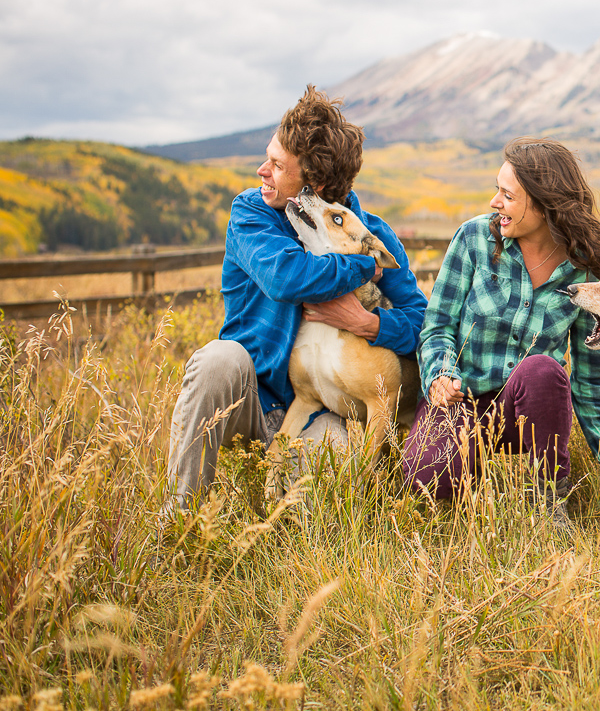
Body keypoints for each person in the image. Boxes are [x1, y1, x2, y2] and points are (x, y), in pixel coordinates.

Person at [164, 85, 427, 515]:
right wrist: (363, 266)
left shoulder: (370, 232)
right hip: (252, 396)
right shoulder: (253, 214)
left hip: (319, 406)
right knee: (218, 360)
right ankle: (177, 520)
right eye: (268, 157)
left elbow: (422, 321)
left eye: (277, 165)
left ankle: (282, 534)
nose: (261, 170)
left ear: (316, 184)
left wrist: (369, 325)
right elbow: (285, 278)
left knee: (329, 482)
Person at [403, 138, 600, 521]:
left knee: (544, 369)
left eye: (507, 195)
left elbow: (591, 374)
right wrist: (440, 374)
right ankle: (470, 467)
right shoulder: (474, 239)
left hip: (527, 410)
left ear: (544, 203)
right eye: (496, 190)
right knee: (429, 477)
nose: (495, 202)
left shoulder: (583, 274)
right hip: (459, 400)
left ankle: (548, 499)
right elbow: (438, 326)